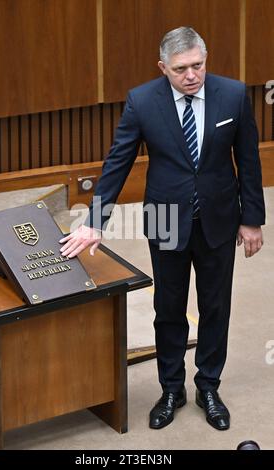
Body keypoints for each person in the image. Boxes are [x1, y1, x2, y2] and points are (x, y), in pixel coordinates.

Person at [59, 27, 265, 431]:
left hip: (219, 218)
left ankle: (208, 385)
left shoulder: (234, 94)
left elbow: (249, 160)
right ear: (163, 68)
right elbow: (117, 162)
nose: (192, 75)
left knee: (215, 306)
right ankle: (172, 388)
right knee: (168, 308)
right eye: (181, 69)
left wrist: (252, 219)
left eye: (198, 65)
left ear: (206, 58)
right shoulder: (142, 101)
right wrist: (94, 222)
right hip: (167, 219)